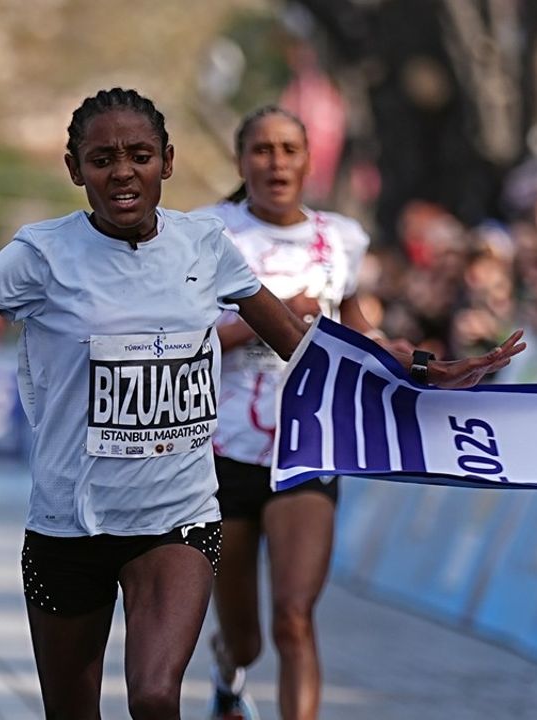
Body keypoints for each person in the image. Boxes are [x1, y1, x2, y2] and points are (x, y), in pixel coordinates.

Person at [0, 89, 524, 720]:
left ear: (168, 161)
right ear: (75, 170)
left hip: (175, 518)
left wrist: (417, 368)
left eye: (139, 155)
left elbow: (303, 346)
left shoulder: (204, 244)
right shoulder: (37, 255)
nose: (122, 172)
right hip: (68, 524)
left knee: (153, 696)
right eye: (103, 159)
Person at [195, 106, 468, 720]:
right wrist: (273, 318)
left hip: (310, 445)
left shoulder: (339, 237)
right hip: (220, 453)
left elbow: (358, 330)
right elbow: (182, 340)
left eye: (289, 149)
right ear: (241, 161)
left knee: (294, 616)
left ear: (308, 160)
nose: (276, 163)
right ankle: (228, 667)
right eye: (262, 150)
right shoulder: (208, 232)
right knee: (246, 635)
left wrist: (420, 363)